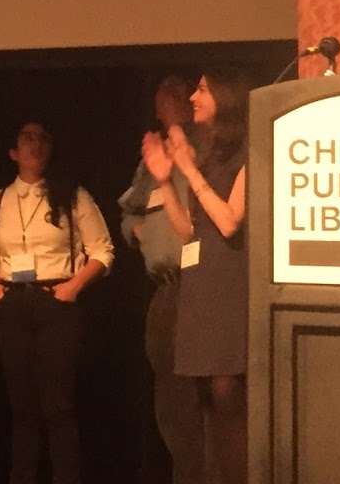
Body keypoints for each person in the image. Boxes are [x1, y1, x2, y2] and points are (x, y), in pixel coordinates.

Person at [0, 120, 114, 484]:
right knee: (22, 409)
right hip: (13, 303)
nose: (36, 144)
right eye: (27, 138)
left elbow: (103, 251)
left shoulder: (72, 195)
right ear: (13, 151)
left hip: (57, 303)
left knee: (58, 407)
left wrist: (73, 287)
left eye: (43, 138)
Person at [142, 69, 251, 484]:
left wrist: (188, 170)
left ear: (226, 97)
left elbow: (229, 222)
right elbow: (188, 230)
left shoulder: (250, 156)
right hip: (200, 285)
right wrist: (165, 180)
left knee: (228, 398)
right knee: (205, 401)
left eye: (202, 89)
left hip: (229, 285)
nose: (193, 97)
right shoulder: (210, 157)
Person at [118, 76, 206, 484]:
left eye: (179, 95)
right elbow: (128, 210)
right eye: (164, 98)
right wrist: (140, 233)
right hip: (166, 289)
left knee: (200, 404)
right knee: (171, 404)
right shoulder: (151, 161)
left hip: (200, 284)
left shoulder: (204, 147)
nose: (172, 103)